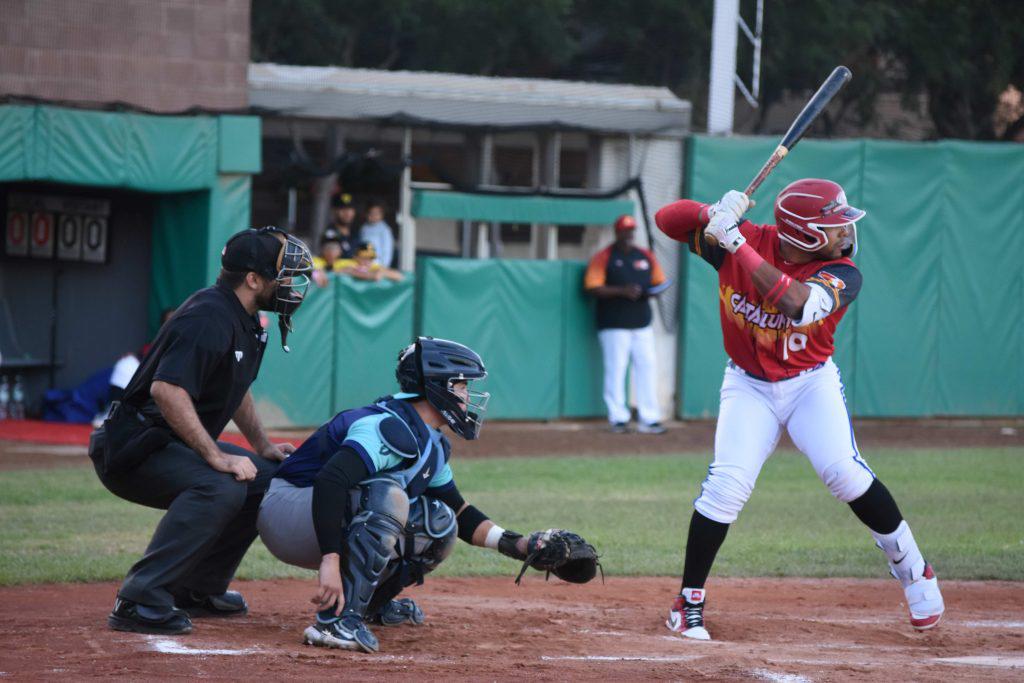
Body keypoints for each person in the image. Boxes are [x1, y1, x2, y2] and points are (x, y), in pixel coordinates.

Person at [654, 179, 944, 640]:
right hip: (749, 385)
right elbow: (665, 220)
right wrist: (711, 213)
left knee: (844, 473)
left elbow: (796, 305)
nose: (845, 234)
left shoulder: (844, 272)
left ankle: (913, 570)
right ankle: (687, 601)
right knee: (726, 486)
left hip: (810, 382)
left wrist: (734, 242)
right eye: (833, 227)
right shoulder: (742, 241)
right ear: (805, 235)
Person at [256, 337, 597, 653]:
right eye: (463, 386)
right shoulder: (387, 425)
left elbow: (461, 514)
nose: (468, 396)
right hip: (288, 510)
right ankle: (334, 623)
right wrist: (330, 560)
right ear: (440, 387)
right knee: (387, 496)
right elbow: (331, 480)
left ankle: (368, 604)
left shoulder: (431, 443)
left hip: (319, 515)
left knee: (439, 522)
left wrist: (520, 545)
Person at [87, 226, 314, 636]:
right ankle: (140, 597)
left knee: (267, 478)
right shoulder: (209, 316)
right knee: (222, 484)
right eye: (282, 273)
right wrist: (216, 456)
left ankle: (197, 588)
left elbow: (235, 387)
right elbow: (167, 390)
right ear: (252, 279)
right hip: (132, 446)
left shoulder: (245, 317)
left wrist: (260, 446)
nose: (291, 284)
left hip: (165, 442)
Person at [583, 215, 668, 434]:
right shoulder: (605, 256)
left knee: (647, 368)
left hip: (642, 322)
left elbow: (659, 282)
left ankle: (649, 418)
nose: (629, 234)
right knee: (616, 370)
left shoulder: (645, 256)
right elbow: (592, 286)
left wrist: (649, 292)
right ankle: (618, 418)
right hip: (614, 324)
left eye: (632, 230)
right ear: (617, 232)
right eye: (625, 230)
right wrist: (623, 291)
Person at [337, 242, 404, 282]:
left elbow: (400, 276)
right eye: (364, 257)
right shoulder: (345, 263)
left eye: (371, 258)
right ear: (355, 257)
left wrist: (383, 273)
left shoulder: (373, 266)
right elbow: (338, 271)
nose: (368, 261)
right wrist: (371, 275)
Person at [358, 201, 395, 268]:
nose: (373, 216)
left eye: (376, 213)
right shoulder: (363, 228)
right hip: (363, 264)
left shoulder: (385, 229)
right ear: (366, 214)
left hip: (378, 265)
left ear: (382, 215)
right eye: (371, 213)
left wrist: (384, 266)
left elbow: (387, 250)